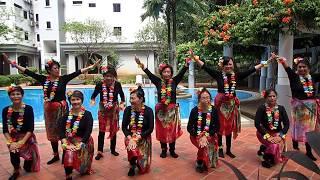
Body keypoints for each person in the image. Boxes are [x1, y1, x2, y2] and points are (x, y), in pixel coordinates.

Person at [3, 53, 100, 164]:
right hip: (49, 111)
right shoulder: (44, 80)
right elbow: (28, 72)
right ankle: (55, 155)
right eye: (55, 68)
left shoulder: (63, 79)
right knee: (52, 133)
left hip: (62, 110)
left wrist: (91, 67)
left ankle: (66, 152)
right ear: (49, 70)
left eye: (58, 68)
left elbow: (78, 72)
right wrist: (13, 64)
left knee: (66, 130)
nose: (57, 70)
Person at [191, 52, 264, 158]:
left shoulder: (236, 76)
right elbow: (205, 67)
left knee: (230, 126)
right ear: (222, 65)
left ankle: (228, 150)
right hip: (220, 104)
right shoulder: (218, 75)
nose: (228, 66)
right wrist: (195, 59)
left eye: (230, 64)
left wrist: (263, 64)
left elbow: (251, 70)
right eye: (226, 64)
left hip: (231, 105)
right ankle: (220, 148)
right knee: (219, 126)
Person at [135, 56, 189, 158]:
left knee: (172, 130)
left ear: (171, 73)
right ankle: (164, 150)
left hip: (172, 110)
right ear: (161, 73)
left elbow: (182, 72)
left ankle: (172, 150)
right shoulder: (158, 82)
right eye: (165, 72)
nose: (167, 74)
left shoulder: (174, 81)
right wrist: (140, 63)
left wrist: (187, 63)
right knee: (162, 130)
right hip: (161, 111)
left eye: (169, 72)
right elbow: (149, 73)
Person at [276, 54, 320, 161]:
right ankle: (295, 142)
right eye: (300, 67)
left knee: (309, 130)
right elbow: (287, 68)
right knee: (297, 127)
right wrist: (281, 60)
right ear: (297, 68)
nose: (302, 69)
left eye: (304, 67)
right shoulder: (294, 77)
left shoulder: (313, 77)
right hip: (298, 108)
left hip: (310, 108)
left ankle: (308, 151)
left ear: (308, 68)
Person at [2, 85, 40, 180]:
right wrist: (11, 142)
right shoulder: (5, 110)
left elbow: (30, 129)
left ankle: (27, 162)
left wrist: (22, 142)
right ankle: (16, 170)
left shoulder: (28, 108)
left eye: (18, 94)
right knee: (13, 149)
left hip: (27, 137)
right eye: (13, 94)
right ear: (9, 96)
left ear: (22, 95)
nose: (15, 96)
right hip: (13, 137)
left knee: (28, 168)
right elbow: (5, 130)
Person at [91, 66, 125, 159]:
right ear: (104, 76)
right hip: (103, 109)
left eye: (111, 76)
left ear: (114, 76)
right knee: (101, 131)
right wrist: (93, 100)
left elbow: (122, 96)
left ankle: (113, 149)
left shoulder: (117, 84)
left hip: (113, 109)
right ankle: (100, 151)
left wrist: (122, 104)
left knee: (113, 130)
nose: (109, 78)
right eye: (106, 76)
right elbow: (93, 95)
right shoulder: (99, 85)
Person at [60, 90, 94, 180]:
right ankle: (68, 175)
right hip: (69, 140)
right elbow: (61, 131)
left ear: (81, 100)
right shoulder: (66, 115)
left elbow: (88, 131)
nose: (75, 102)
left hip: (84, 140)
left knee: (83, 171)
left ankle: (83, 167)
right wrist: (65, 143)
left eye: (77, 99)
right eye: (73, 100)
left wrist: (81, 143)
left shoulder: (87, 114)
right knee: (69, 153)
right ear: (70, 101)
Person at [122, 86, 154, 176]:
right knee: (131, 147)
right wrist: (130, 138)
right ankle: (132, 165)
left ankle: (139, 161)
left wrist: (139, 137)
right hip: (131, 136)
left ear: (141, 99)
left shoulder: (148, 111)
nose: (131, 100)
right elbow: (124, 127)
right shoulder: (128, 110)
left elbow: (150, 128)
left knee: (143, 169)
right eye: (130, 98)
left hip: (143, 137)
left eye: (133, 98)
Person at [255, 89, 289, 168]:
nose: (272, 98)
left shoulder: (281, 108)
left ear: (276, 97)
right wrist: (267, 136)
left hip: (278, 134)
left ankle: (264, 148)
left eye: (274, 96)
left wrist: (280, 136)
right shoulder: (261, 108)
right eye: (269, 96)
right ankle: (268, 159)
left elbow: (287, 124)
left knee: (277, 144)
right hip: (263, 133)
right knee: (274, 145)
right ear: (266, 98)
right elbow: (257, 124)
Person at [187, 88, 219, 173]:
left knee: (204, 144)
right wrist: (199, 136)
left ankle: (201, 160)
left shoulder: (214, 110)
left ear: (210, 98)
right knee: (202, 144)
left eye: (208, 97)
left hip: (210, 134)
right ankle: (200, 161)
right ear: (199, 99)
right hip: (196, 135)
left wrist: (207, 135)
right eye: (203, 98)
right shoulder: (194, 110)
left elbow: (217, 126)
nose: (206, 100)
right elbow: (189, 127)